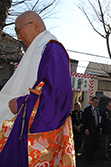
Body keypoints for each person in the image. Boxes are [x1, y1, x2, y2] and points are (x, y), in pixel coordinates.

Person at [0, 11, 74, 166]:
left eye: (18, 30)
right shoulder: (39, 50)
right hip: (24, 126)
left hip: (34, 133)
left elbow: (57, 95)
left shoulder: (52, 49)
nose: (18, 37)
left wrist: (22, 103)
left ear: (35, 26)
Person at [83, 96, 102, 165]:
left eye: (97, 102)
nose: (96, 104)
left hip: (96, 130)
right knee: (89, 144)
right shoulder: (87, 110)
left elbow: (100, 120)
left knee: (96, 143)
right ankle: (89, 158)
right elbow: (85, 120)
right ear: (92, 102)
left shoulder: (98, 110)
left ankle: (92, 155)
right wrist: (86, 129)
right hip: (90, 130)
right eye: (95, 102)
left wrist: (100, 128)